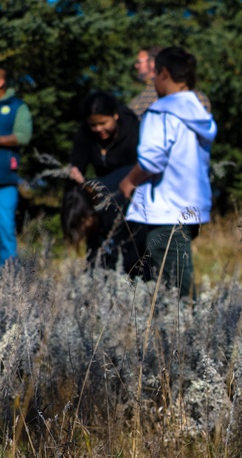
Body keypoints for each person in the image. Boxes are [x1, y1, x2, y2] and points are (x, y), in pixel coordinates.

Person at [119, 47, 217, 298]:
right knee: (175, 277)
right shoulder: (198, 111)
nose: (153, 83)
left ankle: (189, 331)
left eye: (154, 77)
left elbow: (152, 161)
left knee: (176, 287)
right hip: (192, 206)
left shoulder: (161, 112)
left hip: (165, 209)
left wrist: (129, 181)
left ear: (163, 73)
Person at [0, 64, 32, 269]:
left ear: (0, 82)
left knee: (5, 231)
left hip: (2, 179)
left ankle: (7, 281)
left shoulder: (16, 107)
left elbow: (24, 135)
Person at [68, 91, 140, 184]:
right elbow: (77, 161)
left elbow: (139, 168)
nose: (98, 129)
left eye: (103, 123)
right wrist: (75, 172)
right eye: (93, 125)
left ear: (115, 115)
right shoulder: (85, 133)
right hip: (103, 187)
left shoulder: (133, 132)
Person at [128, 47, 211, 119]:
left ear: (153, 64)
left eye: (140, 61)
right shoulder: (200, 98)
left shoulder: (146, 102)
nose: (136, 66)